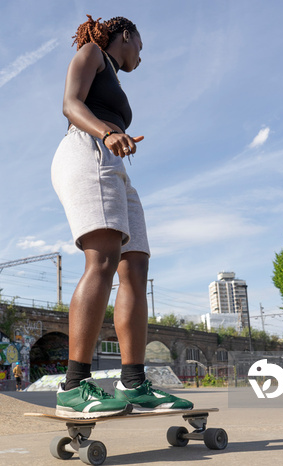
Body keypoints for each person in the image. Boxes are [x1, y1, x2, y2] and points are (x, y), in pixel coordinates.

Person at [51, 15, 193, 419]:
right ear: (124, 34)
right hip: (86, 151)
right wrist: (106, 132)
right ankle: (74, 386)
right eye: (140, 48)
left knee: (135, 267)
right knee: (103, 260)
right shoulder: (91, 52)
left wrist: (114, 138)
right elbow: (70, 104)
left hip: (112, 162)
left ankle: (134, 385)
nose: (141, 58)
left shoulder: (113, 75)